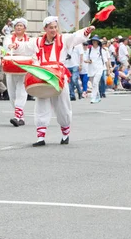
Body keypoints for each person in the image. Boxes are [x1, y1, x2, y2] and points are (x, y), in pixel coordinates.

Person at [26, 16, 95, 146]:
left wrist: (86, 31)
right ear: (45, 29)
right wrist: (15, 45)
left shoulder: (63, 40)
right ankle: (40, 137)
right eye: (51, 27)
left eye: (55, 27)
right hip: (42, 76)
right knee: (41, 104)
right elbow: (25, 46)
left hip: (58, 76)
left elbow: (75, 37)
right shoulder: (37, 42)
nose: (53, 30)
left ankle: (65, 133)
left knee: (62, 105)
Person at [3, 17, 32, 126]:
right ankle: (21, 117)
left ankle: (17, 115)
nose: (19, 27)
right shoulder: (9, 38)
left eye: (21, 26)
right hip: (11, 67)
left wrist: (17, 47)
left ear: (25, 28)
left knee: (21, 91)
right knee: (12, 93)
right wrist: (9, 46)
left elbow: (30, 50)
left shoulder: (28, 40)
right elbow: (6, 46)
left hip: (23, 68)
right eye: (17, 26)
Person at [84, 36, 109, 104]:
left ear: (98, 42)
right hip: (91, 69)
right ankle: (97, 97)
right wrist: (89, 61)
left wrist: (108, 69)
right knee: (94, 84)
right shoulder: (89, 50)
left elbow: (106, 61)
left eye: (95, 41)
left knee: (95, 82)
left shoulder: (101, 50)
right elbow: (86, 60)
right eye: (93, 41)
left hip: (99, 68)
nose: (94, 42)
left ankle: (93, 97)